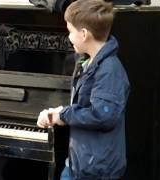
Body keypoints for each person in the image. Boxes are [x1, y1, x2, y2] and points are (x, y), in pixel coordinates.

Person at [37, 0, 130, 179]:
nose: (68, 37)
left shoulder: (109, 71)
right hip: (78, 163)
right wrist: (57, 113)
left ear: (84, 34)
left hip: (96, 171)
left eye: (70, 31)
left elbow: (103, 115)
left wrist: (63, 115)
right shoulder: (87, 61)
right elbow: (84, 105)